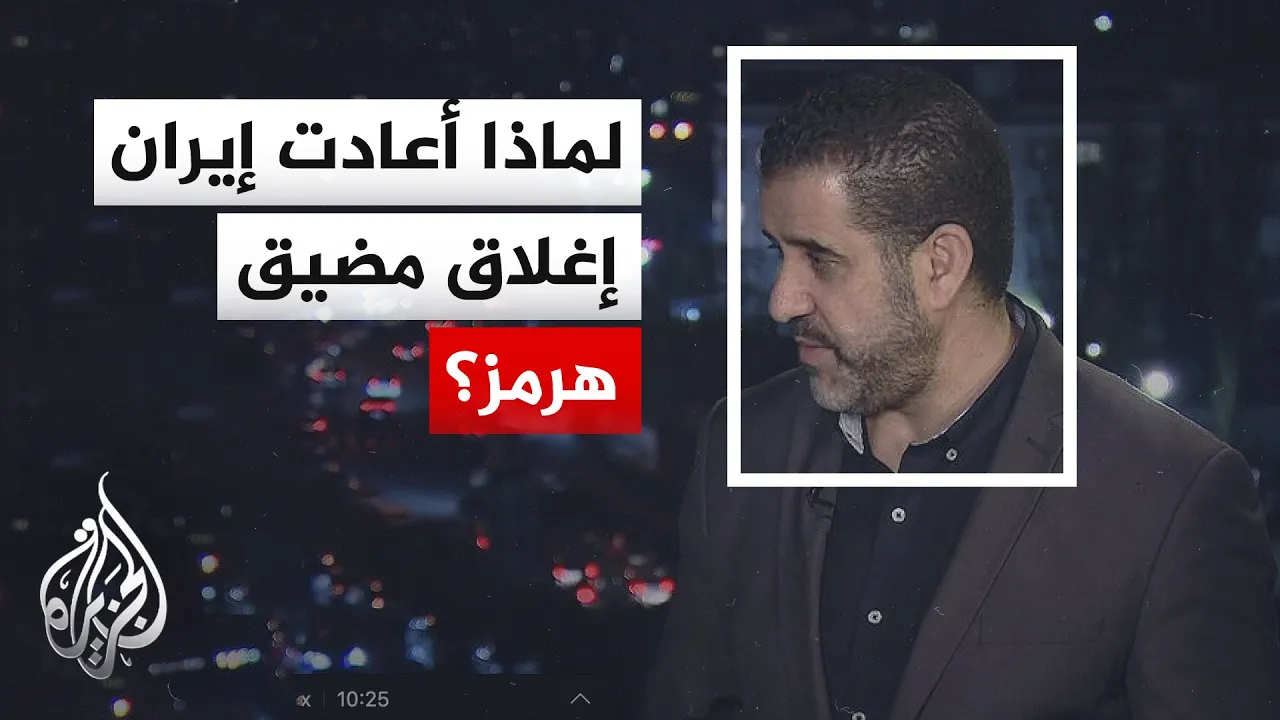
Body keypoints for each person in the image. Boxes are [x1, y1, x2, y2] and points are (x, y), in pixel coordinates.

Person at [643, 65, 1280, 720]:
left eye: (820, 259)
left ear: (940, 265)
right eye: (777, 253)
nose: (782, 300)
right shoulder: (744, 440)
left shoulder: (1172, 492)